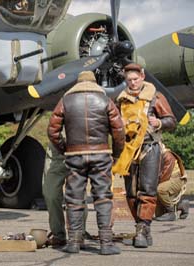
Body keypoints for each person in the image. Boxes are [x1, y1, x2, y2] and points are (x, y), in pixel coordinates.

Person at [48, 70, 125, 255]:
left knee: (74, 199)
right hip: (101, 155)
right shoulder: (105, 100)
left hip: (75, 155)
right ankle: (106, 244)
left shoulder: (66, 100)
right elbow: (119, 130)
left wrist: (64, 148)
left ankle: (73, 242)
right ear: (94, 82)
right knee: (103, 197)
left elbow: (52, 130)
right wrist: (116, 153)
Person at [115, 63, 176, 248]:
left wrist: (158, 122)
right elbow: (115, 128)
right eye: (129, 80)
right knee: (131, 193)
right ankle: (140, 227)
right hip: (128, 150)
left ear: (142, 76)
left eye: (135, 79)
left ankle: (143, 229)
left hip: (150, 147)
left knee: (147, 190)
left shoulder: (156, 97)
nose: (132, 83)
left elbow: (171, 121)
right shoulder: (121, 100)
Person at [42, 142, 90, 248]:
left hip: (78, 149)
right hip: (56, 152)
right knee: (50, 194)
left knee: (78, 195)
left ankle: (78, 235)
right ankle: (58, 235)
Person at [155, 145, 189, 221]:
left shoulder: (167, 155)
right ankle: (182, 205)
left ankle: (171, 213)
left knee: (160, 189)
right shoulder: (157, 156)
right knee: (159, 214)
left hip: (176, 180)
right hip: (168, 180)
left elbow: (165, 175)